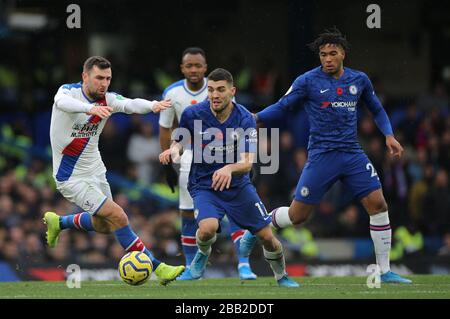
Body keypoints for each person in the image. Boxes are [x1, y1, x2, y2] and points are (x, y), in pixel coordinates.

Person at [240, 28, 412, 284]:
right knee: (298, 216)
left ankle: (385, 270)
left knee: (378, 204)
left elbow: (376, 108)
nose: (328, 59)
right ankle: (263, 223)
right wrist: (257, 118)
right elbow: (283, 106)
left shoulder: (359, 80)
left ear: (343, 53)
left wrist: (388, 135)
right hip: (322, 156)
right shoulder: (307, 81)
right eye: (323, 55)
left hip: (352, 154)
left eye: (333, 53)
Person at [43, 56, 185, 285]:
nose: (104, 83)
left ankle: (60, 222)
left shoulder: (107, 99)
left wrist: (152, 106)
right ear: (85, 76)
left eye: (108, 79)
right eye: (99, 78)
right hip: (70, 177)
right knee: (118, 215)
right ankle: (159, 268)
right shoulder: (67, 92)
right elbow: (61, 104)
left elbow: (129, 104)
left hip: (96, 171)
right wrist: (90, 109)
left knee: (104, 225)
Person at [159, 68, 299, 287]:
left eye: (221, 90)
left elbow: (247, 163)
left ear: (232, 91)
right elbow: (180, 141)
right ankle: (199, 260)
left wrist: (228, 169)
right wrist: (173, 151)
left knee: (267, 238)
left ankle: (282, 276)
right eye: (211, 90)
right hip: (204, 184)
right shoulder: (193, 114)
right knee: (207, 229)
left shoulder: (244, 118)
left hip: (238, 185)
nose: (215, 95)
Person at [159, 48, 257, 280]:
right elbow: (166, 128)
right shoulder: (172, 93)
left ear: (205, 67)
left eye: (198, 65)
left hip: (225, 155)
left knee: (234, 207)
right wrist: (167, 163)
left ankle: (243, 263)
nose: (194, 70)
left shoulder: (219, 87)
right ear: (182, 68)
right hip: (189, 157)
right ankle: (192, 266)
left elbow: (237, 122)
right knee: (187, 213)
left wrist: (242, 160)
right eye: (189, 66)